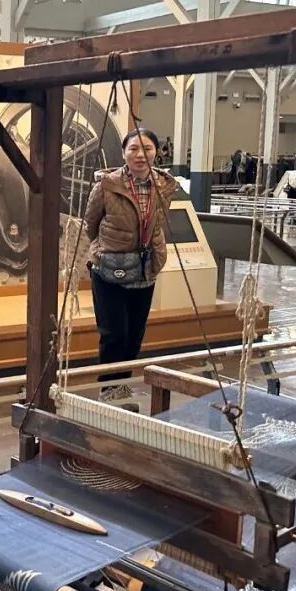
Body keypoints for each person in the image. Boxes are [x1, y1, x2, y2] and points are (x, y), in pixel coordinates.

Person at [84, 128, 177, 406]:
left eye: (147, 148)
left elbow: (157, 222)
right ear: (124, 153)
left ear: (156, 152)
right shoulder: (106, 185)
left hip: (145, 269)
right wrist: (109, 247)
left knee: (134, 336)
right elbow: (91, 225)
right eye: (133, 148)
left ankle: (121, 386)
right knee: (114, 333)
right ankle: (108, 389)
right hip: (108, 269)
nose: (140, 154)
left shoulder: (164, 186)